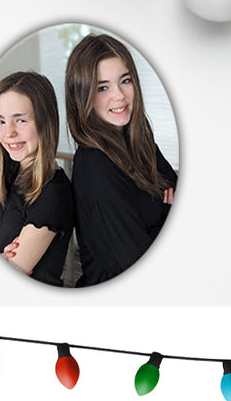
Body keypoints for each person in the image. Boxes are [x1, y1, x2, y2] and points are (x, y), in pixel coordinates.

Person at [65, 34, 176, 286]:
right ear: (83, 96)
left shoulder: (138, 140)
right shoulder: (95, 165)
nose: (120, 96)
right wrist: (167, 212)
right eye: (102, 87)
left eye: (125, 81)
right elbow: (137, 264)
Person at [0, 71, 74, 286]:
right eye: (0, 121)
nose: (8, 132)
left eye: (20, 120)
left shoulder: (53, 193)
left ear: (45, 122)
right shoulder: (8, 175)